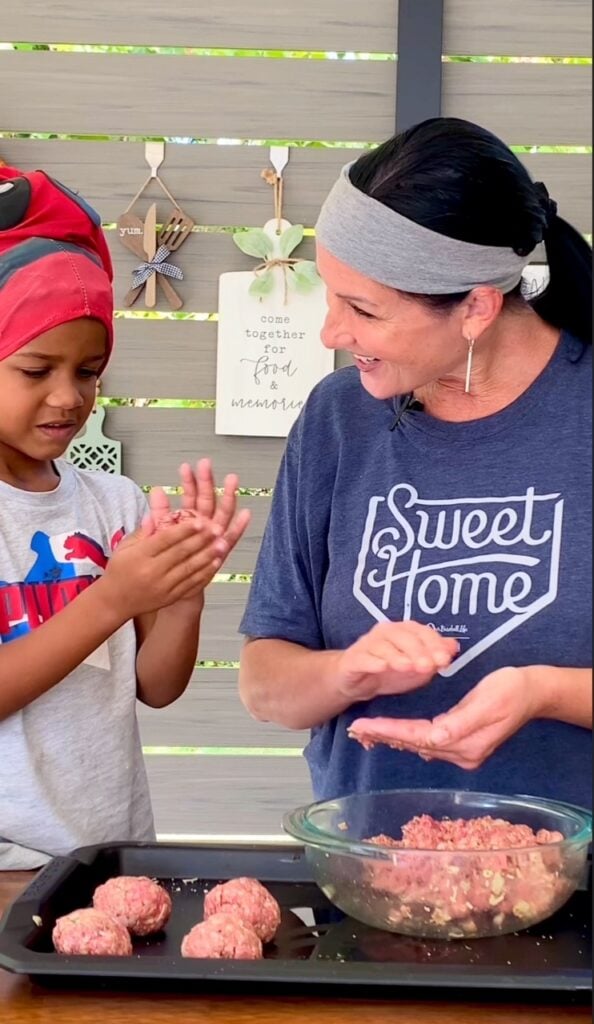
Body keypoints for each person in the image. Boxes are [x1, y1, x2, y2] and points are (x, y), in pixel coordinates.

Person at [238, 117, 592, 810]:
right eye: (330, 293)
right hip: (366, 879)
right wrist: (350, 672)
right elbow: (264, 684)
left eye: (362, 310)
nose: (331, 333)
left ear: (476, 308)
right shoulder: (338, 419)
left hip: (574, 898)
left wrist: (544, 691)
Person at [0, 166, 250, 869]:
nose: (67, 397)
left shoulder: (116, 504)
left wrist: (182, 597)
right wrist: (115, 597)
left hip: (111, 852)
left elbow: (156, 687)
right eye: (35, 369)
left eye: (88, 371)